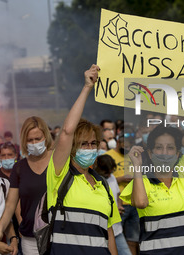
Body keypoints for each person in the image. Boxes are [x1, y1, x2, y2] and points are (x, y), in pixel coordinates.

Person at [47, 64, 121, 254]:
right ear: (72, 148)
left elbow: (109, 232)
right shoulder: (59, 175)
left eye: (93, 144)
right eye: (83, 144)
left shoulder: (102, 184)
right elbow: (67, 131)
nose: (90, 148)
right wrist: (87, 87)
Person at [120, 122, 184, 255]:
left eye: (170, 148)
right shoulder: (141, 182)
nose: (165, 153)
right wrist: (137, 166)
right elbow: (141, 203)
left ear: (177, 154)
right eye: (159, 147)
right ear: (150, 153)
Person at [0, 116, 53, 254]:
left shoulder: (57, 161)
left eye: (37, 139)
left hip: (56, 235)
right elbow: (10, 204)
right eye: (29, 140)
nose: (34, 143)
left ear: (45, 137)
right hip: (29, 238)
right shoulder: (19, 167)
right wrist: (0, 230)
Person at [105, 125, 139, 255]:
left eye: (130, 144)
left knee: (133, 239)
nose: (127, 146)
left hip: (134, 203)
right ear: (118, 141)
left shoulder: (134, 155)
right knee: (114, 238)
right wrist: (121, 179)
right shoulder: (108, 156)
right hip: (117, 205)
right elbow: (103, 179)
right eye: (125, 143)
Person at [95, 155, 131, 255]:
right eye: (107, 172)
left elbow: (118, 194)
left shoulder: (112, 178)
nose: (110, 174)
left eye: (111, 171)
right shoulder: (94, 182)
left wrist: (119, 206)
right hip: (101, 232)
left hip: (117, 230)